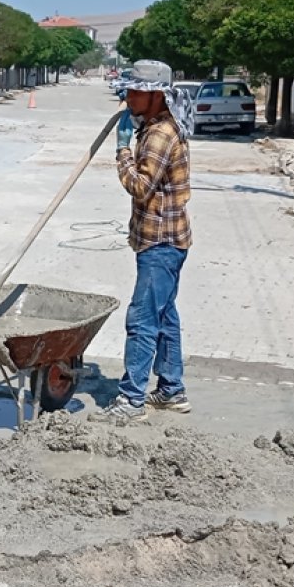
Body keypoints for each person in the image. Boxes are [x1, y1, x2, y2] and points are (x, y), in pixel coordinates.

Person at [92, 83, 192, 423]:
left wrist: (122, 151)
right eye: (128, 92)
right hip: (167, 240)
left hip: (160, 244)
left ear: (157, 96)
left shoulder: (160, 135)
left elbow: (139, 187)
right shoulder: (154, 127)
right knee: (164, 316)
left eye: (136, 93)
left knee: (142, 319)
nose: (128, 98)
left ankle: (131, 400)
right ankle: (171, 389)